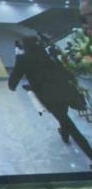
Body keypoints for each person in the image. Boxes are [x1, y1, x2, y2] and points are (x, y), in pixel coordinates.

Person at [9, 35, 92, 167]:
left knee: (68, 123)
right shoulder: (46, 54)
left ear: (25, 45)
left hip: (49, 96)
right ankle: (64, 135)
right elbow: (62, 70)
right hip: (64, 91)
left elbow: (15, 75)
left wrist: (11, 86)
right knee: (63, 117)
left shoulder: (23, 58)